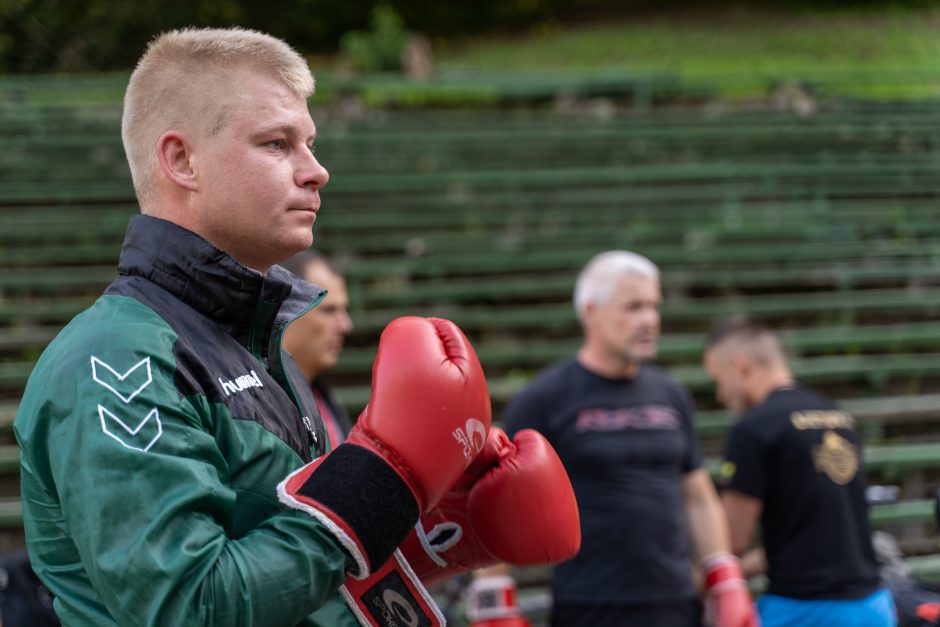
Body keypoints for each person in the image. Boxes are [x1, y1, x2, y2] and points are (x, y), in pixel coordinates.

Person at [11, 27, 532, 627]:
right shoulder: (112, 361)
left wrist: (428, 531)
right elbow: (190, 607)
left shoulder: (261, 344)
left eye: (310, 143)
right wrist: (381, 479)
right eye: (278, 144)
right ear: (181, 161)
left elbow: (287, 559)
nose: (317, 172)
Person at [499, 250, 757, 627]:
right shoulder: (544, 400)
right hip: (589, 604)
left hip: (674, 602)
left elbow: (697, 495)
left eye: (654, 306)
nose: (650, 320)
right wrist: (495, 598)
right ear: (591, 312)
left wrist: (724, 575)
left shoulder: (671, 394)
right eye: (633, 307)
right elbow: (500, 504)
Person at [703, 317, 896, 627]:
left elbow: (731, 541)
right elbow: (807, 539)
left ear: (741, 366)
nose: (720, 394)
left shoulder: (754, 429)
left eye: (718, 380)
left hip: (803, 611)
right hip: (872, 607)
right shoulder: (839, 419)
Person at [281, 250, 354, 447]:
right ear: (286, 311)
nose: (346, 326)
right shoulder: (257, 403)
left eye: (344, 310)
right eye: (329, 310)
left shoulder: (322, 398)